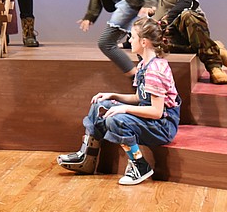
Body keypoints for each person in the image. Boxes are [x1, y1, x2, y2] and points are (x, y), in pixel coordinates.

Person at [56, 16, 180, 185]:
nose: (129, 40)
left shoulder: (155, 70)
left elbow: (156, 112)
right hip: (150, 118)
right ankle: (87, 156)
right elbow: (139, 98)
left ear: (144, 42)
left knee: (116, 119)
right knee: (100, 105)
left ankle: (139, 165)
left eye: (132, 37)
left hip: (162, 126)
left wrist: (124, 109)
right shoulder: (144, 65)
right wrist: (113, 96)